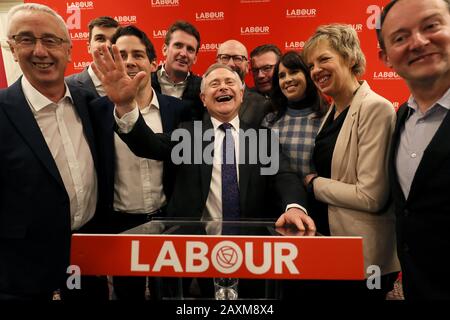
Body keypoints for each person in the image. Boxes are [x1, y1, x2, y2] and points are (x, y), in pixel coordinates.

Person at [0, 3, 111, 300]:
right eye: (26, 39)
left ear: (69, 50)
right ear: (12, 48)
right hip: (22, 274)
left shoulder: (93, 105)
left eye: (50, 40)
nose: (40, 51)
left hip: (87, 263)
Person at [302, 23, 400, 299]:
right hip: (331, 247)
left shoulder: (375, 108)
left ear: (350, 58)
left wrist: (313, 184)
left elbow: (371, 196)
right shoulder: (332, 110)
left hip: (364, 257)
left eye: (324, 59)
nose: (315, 70)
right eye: (311, 65)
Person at [100, 25, 190, 300]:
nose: (128, 61)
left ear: (153, 63)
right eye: (121, 54)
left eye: (137, 54)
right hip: (120, 225)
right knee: (127, 295)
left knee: (173, 295)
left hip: (169, 222)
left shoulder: (179, 110)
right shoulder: (96, 110)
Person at [377, 0, 450, 300]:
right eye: (400, 37)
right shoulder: (400, 119)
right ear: (386, 58)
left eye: (431, 26)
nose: (418, 42)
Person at [262, 51, 327, 178]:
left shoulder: (328, 117)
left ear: (308, 75)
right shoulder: (269, 121)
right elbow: (266, 172)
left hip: (319, 195)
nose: (287, 79)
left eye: (294, 72)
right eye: (282, 76)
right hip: (280, 197)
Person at [151, 20, 203, 120]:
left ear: (195, 58)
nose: (183, 53)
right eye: (178, 45)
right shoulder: (146, 82)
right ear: (164, 49)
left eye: (190, 49)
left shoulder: (203, 88)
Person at [216, 39, 272, 127]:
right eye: (225, 58)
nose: (231, 64)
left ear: (247, 66)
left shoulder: (263, 104)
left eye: (237, 58)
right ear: (216, 62)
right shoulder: (203, 101)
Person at [66, 16, 119, 97]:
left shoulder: (132, 84)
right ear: (89, 47)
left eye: (114, 40)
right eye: (100, 39)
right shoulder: (67, 85)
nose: (108, 45)